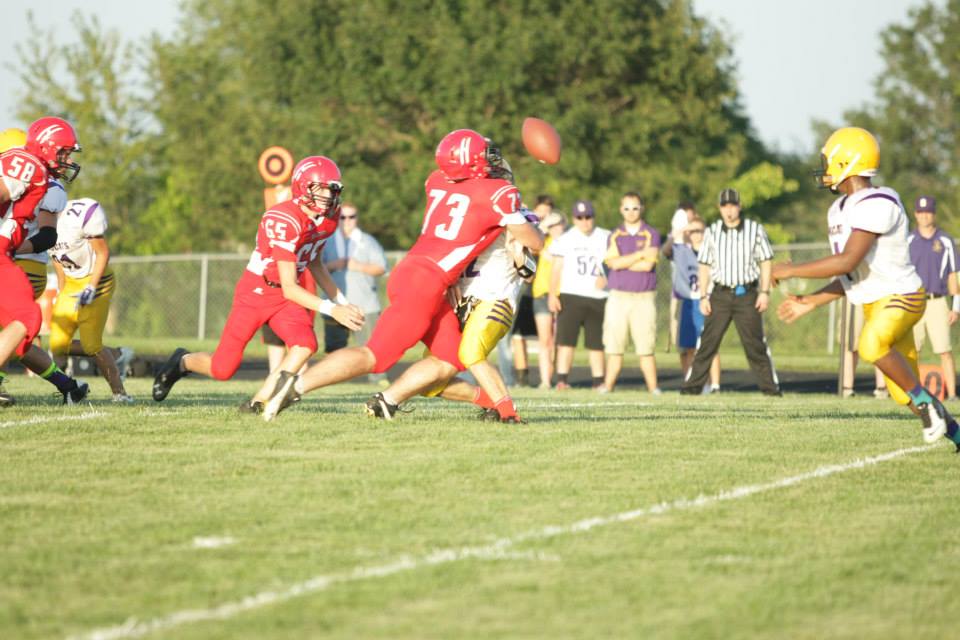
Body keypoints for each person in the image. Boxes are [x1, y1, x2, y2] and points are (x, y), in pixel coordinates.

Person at [261, 129, 543, 422]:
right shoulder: (498, 193)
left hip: (420, 276)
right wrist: (525, 222)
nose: (491, 159)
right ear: (470, 161)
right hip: (426, 282)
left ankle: (486, 405)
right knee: (375, 355)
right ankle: (296, 385)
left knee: (449, 358)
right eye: (484, 154)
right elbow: (534, 242)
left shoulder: (437, 181)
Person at [773, 126, 959, 447]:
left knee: (870, 346)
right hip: (876, 305)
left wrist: (791, 269)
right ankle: (956, 433)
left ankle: (928, 406)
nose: (826, 168)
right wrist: (811, 301)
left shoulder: (880, 201)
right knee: (905, 392)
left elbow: (847, 260)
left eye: (830, 161)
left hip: (903, 297)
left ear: (848, 162)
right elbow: (851, 275)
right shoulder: (839, 210)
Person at [152, 156, 365, 411]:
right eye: (321, 189)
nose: (329, 195)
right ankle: (182, 361)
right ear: (303, 187)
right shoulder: (284, 218)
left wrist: (343, 302)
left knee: (306, 344)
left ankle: (258, 401)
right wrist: (332, 309)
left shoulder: (329, 217)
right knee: (222, 369)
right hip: (257, 292)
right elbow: (289, 286)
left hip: (285, 299)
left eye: (332, 188)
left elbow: (315, 262)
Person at [365, 205, 543, 423]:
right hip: (460, 304)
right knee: (432, 382)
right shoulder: (464, 212)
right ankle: (492, 401)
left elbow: (529, 271)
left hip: (495, 299)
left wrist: (518, 253)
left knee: (471, 353)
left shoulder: (514, 213)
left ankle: (509, 414)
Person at [0, 126, 90, 407]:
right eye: (63, 151)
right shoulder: (30, 167)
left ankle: (67, 385)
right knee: (26, 322)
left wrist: (13, 247)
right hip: (13, 260)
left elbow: (47, 235)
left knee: (22, 332)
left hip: (13, 257)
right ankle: (67, 385)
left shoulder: (39, 175)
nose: (67, 159)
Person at [680, 187, 780, 396]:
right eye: (725, 206)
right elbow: (704, 265)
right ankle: (692, 387)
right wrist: (704, 296)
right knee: (708, 341)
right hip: (720, 294)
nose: (729, 210)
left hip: (747, 293)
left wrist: (764, 291)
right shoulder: (713, 231)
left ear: (739, 206)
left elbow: (765, 261)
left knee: (754, 344)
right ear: (719, 208)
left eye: (733, 205)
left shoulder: (755, 229)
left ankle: (770, 389)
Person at [47, 197, 134, 402]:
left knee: (92, 345)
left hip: (99, 280)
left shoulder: (76, 216)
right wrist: (62, 293)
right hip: (72, 283)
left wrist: (91, 287)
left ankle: (120, 394)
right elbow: (59, 265)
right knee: (58, 344)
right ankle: (115, 355)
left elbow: (103, 253)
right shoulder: (40, 225)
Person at [599, 192, 661, 394]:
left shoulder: (651, 233)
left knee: (646, 346)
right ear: (621, 210)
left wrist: (625, 262)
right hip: (618, 296)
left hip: (644, 297)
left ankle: (654, 388)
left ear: (641, 208)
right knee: (614, 345)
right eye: (627, 208)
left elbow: (648, 265)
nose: (631, 212)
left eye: (635, 208)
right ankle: (608, 386)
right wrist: (640, 255)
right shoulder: (615, 234)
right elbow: (613, 263)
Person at [321, 201, 388, 382]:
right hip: (335, 305)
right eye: (342, 217)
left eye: (351, 217)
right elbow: (314, 268)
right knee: (334, 349)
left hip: (365, 304)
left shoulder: (368, 241)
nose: (347, 221)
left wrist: (357, 266)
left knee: (371, 348)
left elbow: (381, 268)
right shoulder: (326, 241)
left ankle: (378, 382)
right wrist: (334, 266)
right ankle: (330, 383)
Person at [548, 200, 610, 390]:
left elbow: (614, 262)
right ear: (574, 219)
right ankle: (562, 380)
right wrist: (552, 294)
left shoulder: (606, 236)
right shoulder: (565, 239)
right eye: (580, 217)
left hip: (598, 296)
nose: (585, 221)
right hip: (571, 294)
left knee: (596, 343)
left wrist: (607, 277)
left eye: (588, 217)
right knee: (566, 341)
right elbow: (556, 268)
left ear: (593, 217)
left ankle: (599, 381)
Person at [907, 195, 959, 400]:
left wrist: (956, 307)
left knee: (944, 350)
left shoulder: (945, 240)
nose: (924, 216)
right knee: (913, 351)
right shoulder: (909, 240)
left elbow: (953, 275)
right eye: (920, 212)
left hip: (937, 301)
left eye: (928, 211)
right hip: (914, 301)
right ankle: (914, 394)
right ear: (915, 215)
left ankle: (953, 394)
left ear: (933, 214)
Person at [662, 216, 721, 389]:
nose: (695, 234)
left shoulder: (712, 250)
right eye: (692, 231)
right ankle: (691, 383)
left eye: (699, 230)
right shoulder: (681, 250)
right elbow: (665, 251)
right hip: (688, 301)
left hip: (707, 300)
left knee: (710, 346)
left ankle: (714, 384)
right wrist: (678, 233)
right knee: (688, 347)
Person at [510, 194, 553, 386]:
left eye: (547, 212)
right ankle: (522, 378)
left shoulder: (554, 235)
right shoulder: (527, 226)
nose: (543, 215)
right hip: (525, 290)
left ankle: (552, 378)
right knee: (518, 335)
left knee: (548, 339)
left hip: (544, 290)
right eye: (541, 211)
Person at [531, 210, 566, 389]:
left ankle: (560, 379)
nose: (556, 228)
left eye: (559, 224)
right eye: (552, 225)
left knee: (559, 340)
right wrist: (542, 226)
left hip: (562, 294)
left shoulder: (569, 243)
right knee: (545, 341)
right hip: (541, 293)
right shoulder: (543, 243)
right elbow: (531, 245)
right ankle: (545, 380)